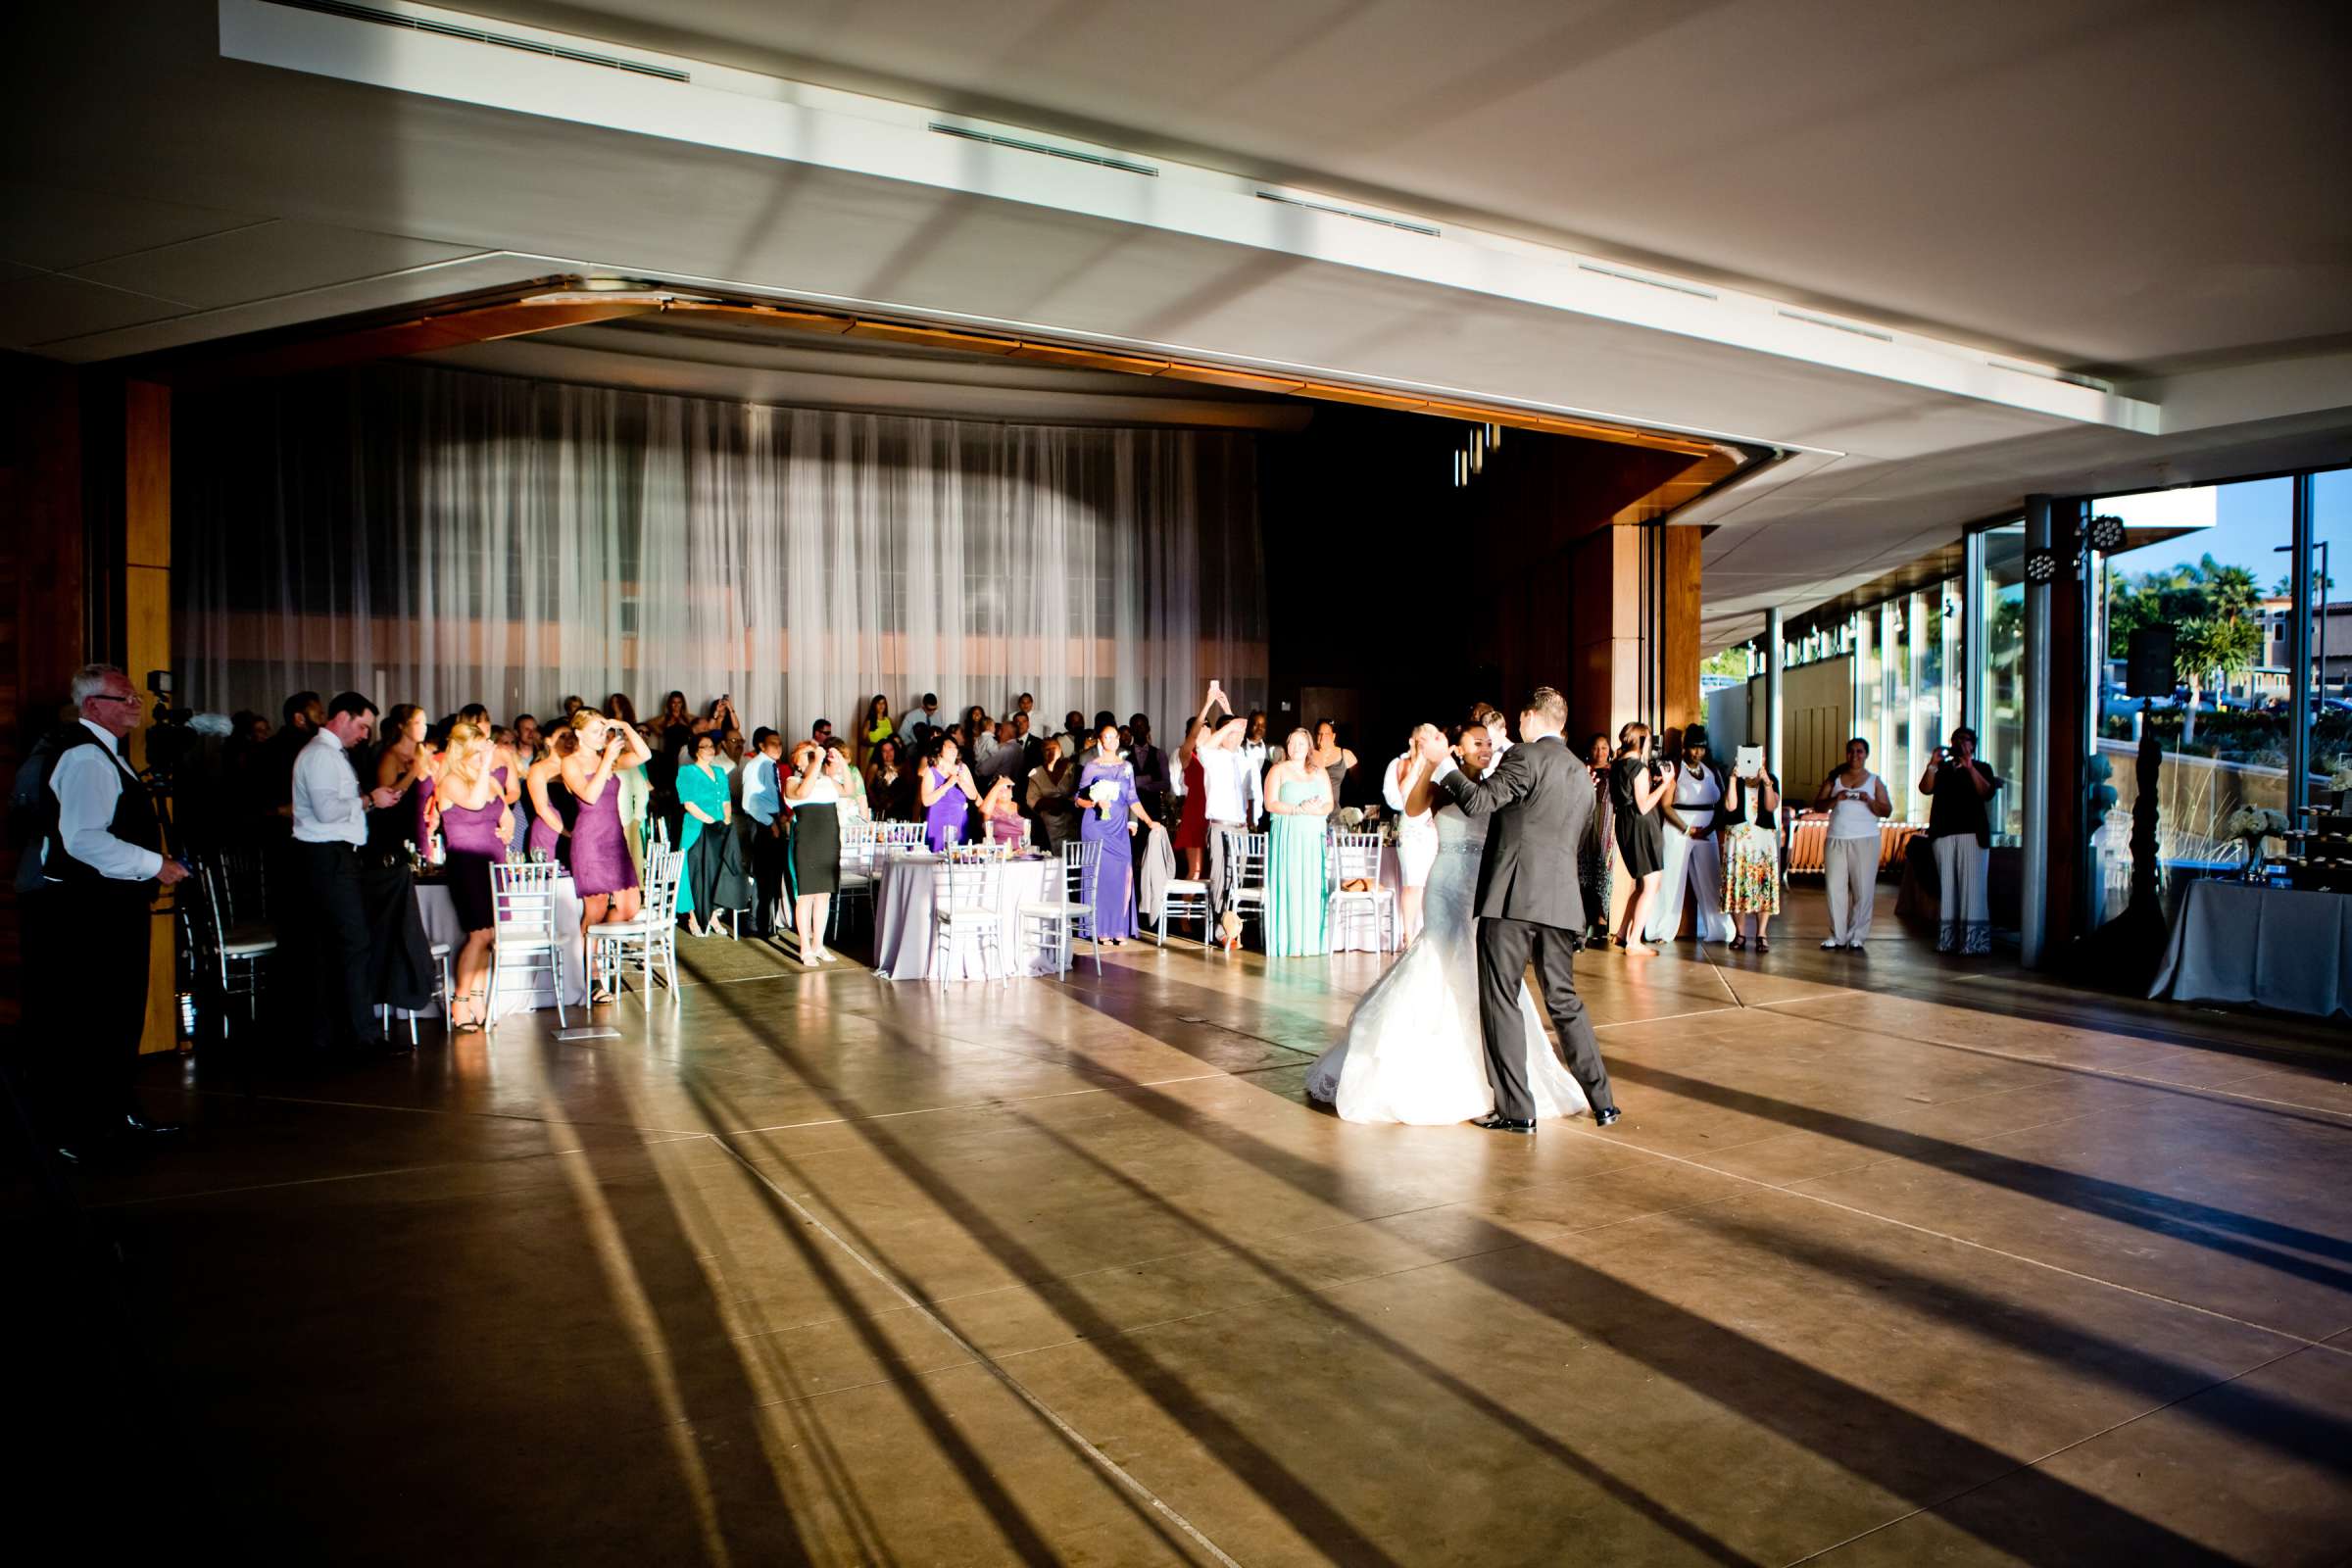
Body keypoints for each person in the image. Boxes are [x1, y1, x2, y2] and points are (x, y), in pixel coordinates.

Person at [1307, 722, 1592, 1126]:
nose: (1485, 748)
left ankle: (1503, 1081)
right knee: (1438, 960)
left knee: (1486, 976)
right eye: (1477, 743)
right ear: (1457, 748)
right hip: (1446, 885)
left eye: (1489, 743)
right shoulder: (1445, 783)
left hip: (1487, 890)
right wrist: (1429, 762)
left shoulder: (1501, 780)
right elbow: (1411, 809)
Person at [1424, 687, 1621, 1133]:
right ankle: (1603, 1101)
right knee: (1564, 1000)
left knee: (1501, 999)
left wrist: (1442, 764)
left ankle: (1518, 1110)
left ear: (1532, 717)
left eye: (1521, 719)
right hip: (1562, 902)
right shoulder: (1581, 774)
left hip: (1512, 898)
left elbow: (1478, 802)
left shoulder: (1525, 758)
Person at [18, 663, 191, 1157]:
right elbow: (84, 840)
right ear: (93, 706)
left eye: (135, 697)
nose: (136, 704)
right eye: (125, 698)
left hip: (101, 908)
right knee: (91, 1019)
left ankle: (112, 1115)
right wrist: (154, 863)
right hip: (89, 912)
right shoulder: (87, 758)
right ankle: (82, 1130)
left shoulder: (102, 754)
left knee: (111, 1016)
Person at [293, 692, 406, 1054]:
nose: (364, 735)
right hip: (328, 859)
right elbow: (327, 813)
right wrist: (371, 800)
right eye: (361, 726)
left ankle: (334, 1035)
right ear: (341, 716)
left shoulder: (330, 755)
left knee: (335, 948)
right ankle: (362, 1036)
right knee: (353, 945)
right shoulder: (321, 755)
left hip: (333, 858)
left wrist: (372, 803)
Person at [432, 721, 514, 1032]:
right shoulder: (450, 781)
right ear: (465, 751)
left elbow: (505, 815)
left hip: (493, 862)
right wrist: (484, 772)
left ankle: (478, 997)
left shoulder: (491, 781)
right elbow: (477, 802)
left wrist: (505, 831)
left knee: (491, 935)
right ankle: (460, 1000)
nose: (487, 756)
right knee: (478, 933)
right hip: (467, 865)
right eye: (481, 751)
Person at [562, 710, 651, 989]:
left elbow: (644, 755)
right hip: (590, 841)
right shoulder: (570, 762)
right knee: (595, 911)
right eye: (595, 731)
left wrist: (623, 725)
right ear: (578, 734)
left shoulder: (606, 760)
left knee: (630, 906)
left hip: (614, 839)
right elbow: (589, 795)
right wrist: (607, 761)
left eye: (603, 731)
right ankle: (593, 975)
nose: (602, 737)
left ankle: (599, 951)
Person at [1646, 724, 1734, 945]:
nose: (1697, 752)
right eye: (1694, 748)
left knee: (1712, 879)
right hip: (1678, 828)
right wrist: (1686, 828)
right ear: (1685, 747)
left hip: (1708, 829)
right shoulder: (1675, 768)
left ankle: (1721, 930)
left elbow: (1723, 802)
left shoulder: (1712, 770)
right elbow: (1665, 805)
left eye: (1701, 748)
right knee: (1671, 879)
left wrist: (1711, 828)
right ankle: (1660, 930)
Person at [1920, 726, 2001, 956]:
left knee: (1973, 887)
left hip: (1973, 833)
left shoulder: (1983, 767)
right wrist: (1933, 763)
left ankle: (1974, 942)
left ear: (1973, 745)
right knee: (1948, 887)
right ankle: (1948, 940)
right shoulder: (1942, 768)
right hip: (1943, 833)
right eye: (1956, 739)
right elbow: (1925, 788)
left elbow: (1986, 792)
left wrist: (1970, 767)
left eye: (1965, 740)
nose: (1960, 743)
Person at [1077, 723, 1154, 944]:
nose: (1111, 741)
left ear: (1119, 740)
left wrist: (1149, 821)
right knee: (1101, 877)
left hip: (1118, 828)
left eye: (1114, 737)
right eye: (1106, 737)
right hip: (1096, 826)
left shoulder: (1127, 767)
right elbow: (1078, 799)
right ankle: (1101, 928)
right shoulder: (1091, 766)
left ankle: (1119, 927)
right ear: (1100, 741)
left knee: (1123, 875)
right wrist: (1094, 802)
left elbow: (1133, 798)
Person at [1814, 737, 1890, 950]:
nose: (1855, 755)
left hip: (1865, 838)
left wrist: (1870, 801)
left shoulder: (1874, 780)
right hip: (1837, 838)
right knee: (1834, 888)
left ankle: (1857, 934)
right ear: (1846, 754)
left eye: (1859, 751)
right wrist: (1836, 799)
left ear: (1866, 755)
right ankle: (1837, 935)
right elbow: (1818, 805)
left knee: (1863, 888)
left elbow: (1886, 810)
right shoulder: (1835, 778)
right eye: (1851, 751)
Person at [1263, 727, 1331, 956]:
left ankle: (1311, 942)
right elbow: (1270, 804)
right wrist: (1296, 809)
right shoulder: (1278, 770)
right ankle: (1288, 941)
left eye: (1301, 744)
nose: (1296, 748)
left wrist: (1313, 810)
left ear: (1309, 747)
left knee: (1311, 884)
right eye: (1292, 743)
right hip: (1289, 834)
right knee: (1290, 882)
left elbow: (1329, 804)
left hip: (1313, 836)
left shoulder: (1319, 772)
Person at [783, 739, 848, 965]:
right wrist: (817, 761)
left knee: (824, 895)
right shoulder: (792, 780)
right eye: (806, 755)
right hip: (807, 840)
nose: (812, 757)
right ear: (797, 763)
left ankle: (819, 944)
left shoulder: (827, 781)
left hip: (828, 837)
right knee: (806, 895)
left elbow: (849, 790)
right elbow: (802, 793)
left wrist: (841, 763)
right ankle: (805, 948)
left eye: (813, 754)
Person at [1610, 722, 1671, 955]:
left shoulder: (1617, 765)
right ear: (1644, 742)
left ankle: (1623, 933)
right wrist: (1664, 785)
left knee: (1641, 884)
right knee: (1652, 884)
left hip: (1625, 823)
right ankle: (1634, 941)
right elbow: (1644, 806)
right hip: (1641, 826)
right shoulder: (1639, 768)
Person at [674, 729, 738, 937]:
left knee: (715, 872)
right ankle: (693, 917)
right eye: (705, 747)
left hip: (718, 828)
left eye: (712, 746)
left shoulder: (719, 772)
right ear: (695, 751)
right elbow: (689, 803)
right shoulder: (687, 772)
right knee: (694, 871)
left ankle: (711, 915)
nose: (710, 750)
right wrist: (709, 820)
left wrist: (725, 819)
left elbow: (727, 799)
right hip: (697, 828)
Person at [1720, 754, 1783, 952]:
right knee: (1737, 884)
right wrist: (1732, 779)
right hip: (1739, 840)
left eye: (1759, 758)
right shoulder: (1735, 779)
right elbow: (1730, 806)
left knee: (1763, 884)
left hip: (1762, 839)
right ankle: (1740, 933)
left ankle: (1761, 934)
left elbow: (1771, 806)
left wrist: (1766, 782)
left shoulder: (1770, 779)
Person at [1382, 735, 1440, 943]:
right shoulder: (1399, 764)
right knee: (1412, 883)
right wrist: (1417, 767)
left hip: (1431, 831)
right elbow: (1397, 799)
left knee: (1430, 884)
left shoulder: (1439, 765)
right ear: (1412, 742)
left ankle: (1428, 934)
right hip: (1410, 831)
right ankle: (1409, 935)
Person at [743, 728, 787, 938]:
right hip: (762, 823)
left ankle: (767, 924)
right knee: (763, 875)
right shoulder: (756, 765)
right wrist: (771, 823)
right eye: (773, 743)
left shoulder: (770, 765)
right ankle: (757, 924)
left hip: (771, 819)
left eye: (780, 743)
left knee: (770, 876)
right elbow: (750, 802)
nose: (778, 747)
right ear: (761, 745)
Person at [1577, 733, 1616, 948]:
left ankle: (1602, 919)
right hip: (1586, 820)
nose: (1600, 752)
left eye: (1604, 748)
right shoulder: (1582, 770)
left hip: (1607, 823)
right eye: (1595, 748)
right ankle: (1583, 918)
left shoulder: (1614, 771)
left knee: (1604, 868)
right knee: (1584, 870)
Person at [918, 734, 978, 853]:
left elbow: (973, 795)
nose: (953, 750)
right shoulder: (931, 771)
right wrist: (947, 785)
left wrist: (960, 781)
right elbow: (925, 801)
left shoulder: (963, 768)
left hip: (959, 820)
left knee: (958, 857)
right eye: (949, 747)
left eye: (955, 747)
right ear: (939, 750)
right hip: (937, 820)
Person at [1026, 734, 1080, 851]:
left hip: (1071, 821)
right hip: (1048, 825)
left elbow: (1078, 793)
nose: (1050, 752)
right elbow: (1032, 800)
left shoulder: (1072, 768)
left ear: (1060, 750)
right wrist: (1054, 804)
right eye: (1047, 750)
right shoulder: (1036, 773)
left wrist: (1063, 804)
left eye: (1053, 748)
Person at [1307, 720, 1357, 808]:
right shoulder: (1309, 756)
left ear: (1333, 736)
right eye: (1320, 734)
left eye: (1327, 734)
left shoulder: (1346, 754)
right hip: (1313, 810)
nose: (1323, 738)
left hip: (1338, 812)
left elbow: (1359, 785)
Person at [867, 735, 914, 822]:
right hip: (880, 809)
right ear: (879, 753)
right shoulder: (875, 767)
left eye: (891, 750)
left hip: (902, 809)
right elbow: (868, 787)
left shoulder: (904, 765)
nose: (888, 753)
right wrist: (878, 805)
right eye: (884, 751)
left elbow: (910, 787)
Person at [857, 694, 893, 769]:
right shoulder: (869, 722)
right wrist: (876, 745)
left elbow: (894, 737)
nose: (881, 705)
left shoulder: (889, 720)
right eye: (879, 703)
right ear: (874, 705)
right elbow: (862, 741)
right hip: (874, 754)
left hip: (888, 755)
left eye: (883, 703)